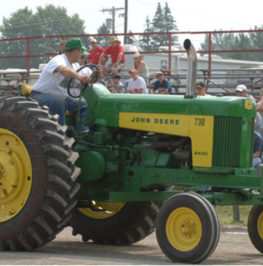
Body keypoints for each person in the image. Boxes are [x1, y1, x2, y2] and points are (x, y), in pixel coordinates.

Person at [30, 38, 90, 132]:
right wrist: (79, 77)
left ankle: (81, 133)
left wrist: (89, 79)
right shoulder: (58, 60)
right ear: (76, 51)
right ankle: (60, 133)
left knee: (82, 103)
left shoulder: (75, 65)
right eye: (80, 52)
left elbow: (81, 80)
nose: (81, 55)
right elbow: (64, 71)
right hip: (39, 95)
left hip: (60, 97)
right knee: (59, 101)